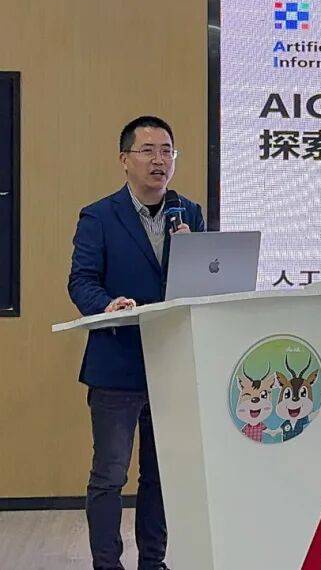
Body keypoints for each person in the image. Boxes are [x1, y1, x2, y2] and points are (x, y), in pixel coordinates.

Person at [68, 116, 205, 570]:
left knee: (160, 476)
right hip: (117, 364)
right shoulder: (99, 216)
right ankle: (107, 564)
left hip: (172, 364)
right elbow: (81, 281)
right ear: (124, 159)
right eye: (148, 150)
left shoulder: (189, 213)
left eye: (167, 151)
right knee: (110, 475)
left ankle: (153, 562)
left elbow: (207, 284)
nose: (159, 160)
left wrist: (191, 253)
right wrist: (106, 305)